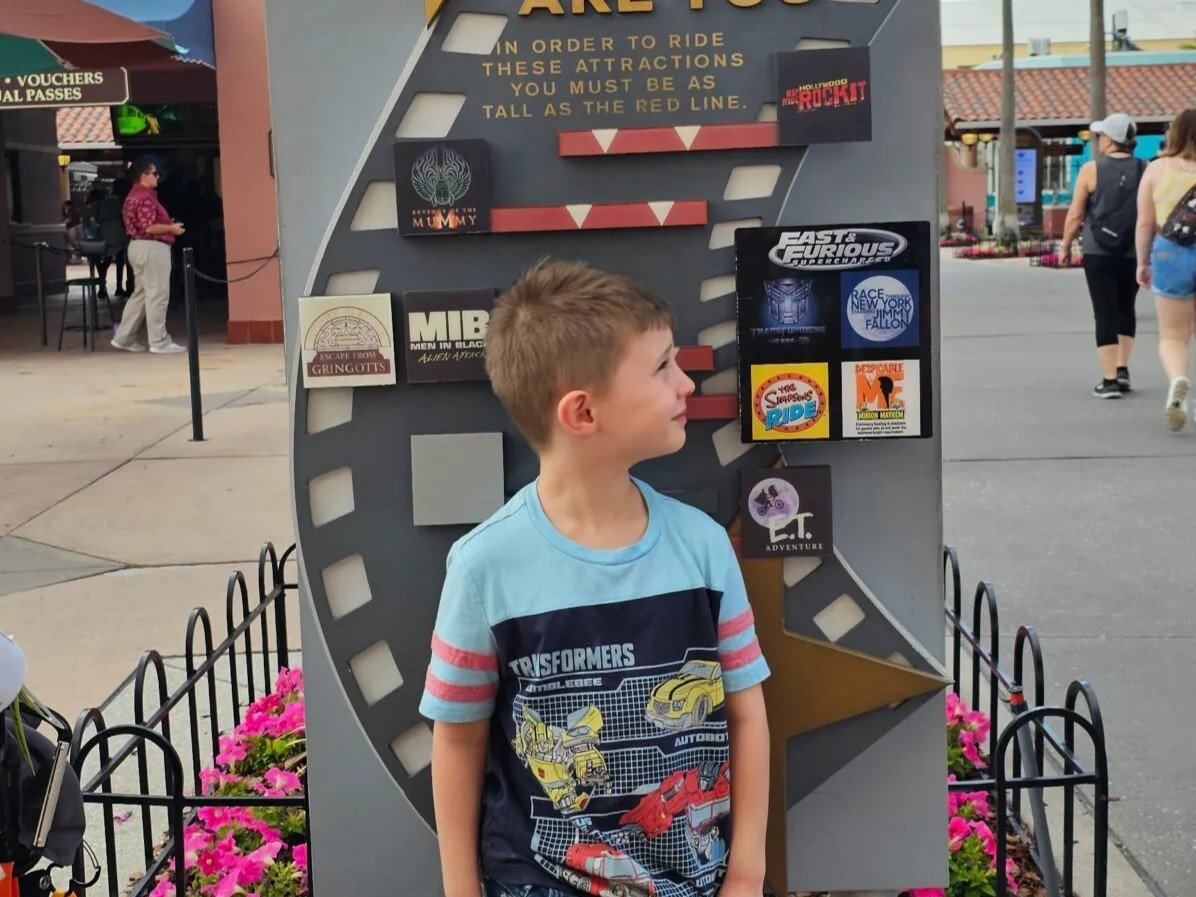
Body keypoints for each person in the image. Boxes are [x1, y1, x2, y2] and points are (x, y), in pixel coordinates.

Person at [419, 261, 771, 897]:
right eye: (663, 367)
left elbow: (746, 716)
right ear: (582, 412)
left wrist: (747, 871)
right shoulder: (484, 567)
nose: (687, 383)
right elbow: (458, 742)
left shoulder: (703, 547)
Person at [1062, 113, 1146, 399]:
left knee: (1104, 311)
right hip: (1133, 252)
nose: (1098, 140)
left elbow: (1075, 214)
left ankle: (1109, 380)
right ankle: (1122, 370)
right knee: (1126, 308)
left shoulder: (1091, 169)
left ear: (1109, 139)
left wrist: (1065, 245)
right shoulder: (1144, 169)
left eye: (1100, 136)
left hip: (1098, 251)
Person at [1136, 108, 1196, 432]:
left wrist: (1143, 262)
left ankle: (1178, 381)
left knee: (1173, 335)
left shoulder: (1157, 169)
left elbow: (1145, 222)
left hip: (1171, 253)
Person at [110, 156, 186, 354]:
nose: (158, 176)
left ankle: (124, 337)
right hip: (152, 248)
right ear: (143, 175)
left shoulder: (133, 195)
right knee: (157, 294)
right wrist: (171, 228)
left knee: (141, 294)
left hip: (137, 246)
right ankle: (159, 340)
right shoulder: (145, 197)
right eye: (154, 173)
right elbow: (149, 226)